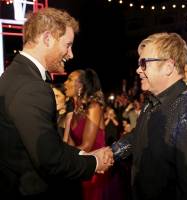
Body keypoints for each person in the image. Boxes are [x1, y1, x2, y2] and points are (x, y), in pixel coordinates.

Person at [0, 8, 113, 198]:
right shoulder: (31, 86)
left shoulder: (15, 75)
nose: (71, 54)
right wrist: (93, 163)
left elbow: (48, 145)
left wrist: (84, 156)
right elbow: (49, 159)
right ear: (47, 39)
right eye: (67, 45)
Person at [113, 32, 187, 200]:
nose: (138, 69)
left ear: (168, 66)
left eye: (144, 63)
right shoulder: (151, 101)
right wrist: (113, 152)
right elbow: (139, 134)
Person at [64, 68, 108, 200]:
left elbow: (87, 146)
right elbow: (71, 146)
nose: (65, 83)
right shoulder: (74, 113)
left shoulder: (94, 107)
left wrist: (61, 159)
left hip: (95, 171)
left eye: (70, 79)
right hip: (81, 168)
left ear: (81, 86)